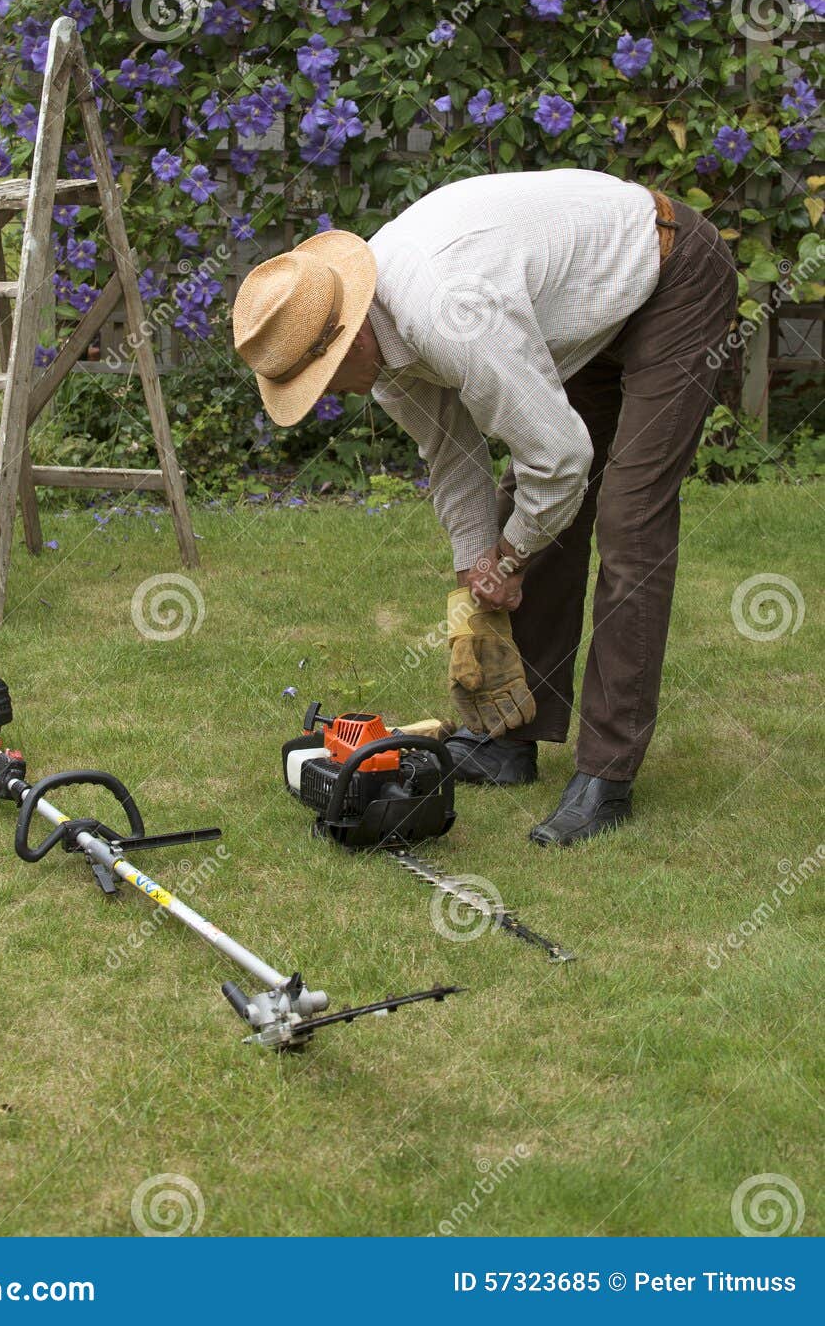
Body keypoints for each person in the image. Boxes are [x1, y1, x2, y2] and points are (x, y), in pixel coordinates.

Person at [232, 170, 737, 846]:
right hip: (578, 310)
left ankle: (607, 775)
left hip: (672, 276)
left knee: (629, 515)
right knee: (524, 512)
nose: (324, 397)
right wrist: (480, 561)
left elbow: (560, 461)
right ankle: (506, 740)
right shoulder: (383, 345)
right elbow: (454, 458)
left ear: (346, 339)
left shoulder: (447, 313)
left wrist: (514, 556)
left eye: (317, 381)